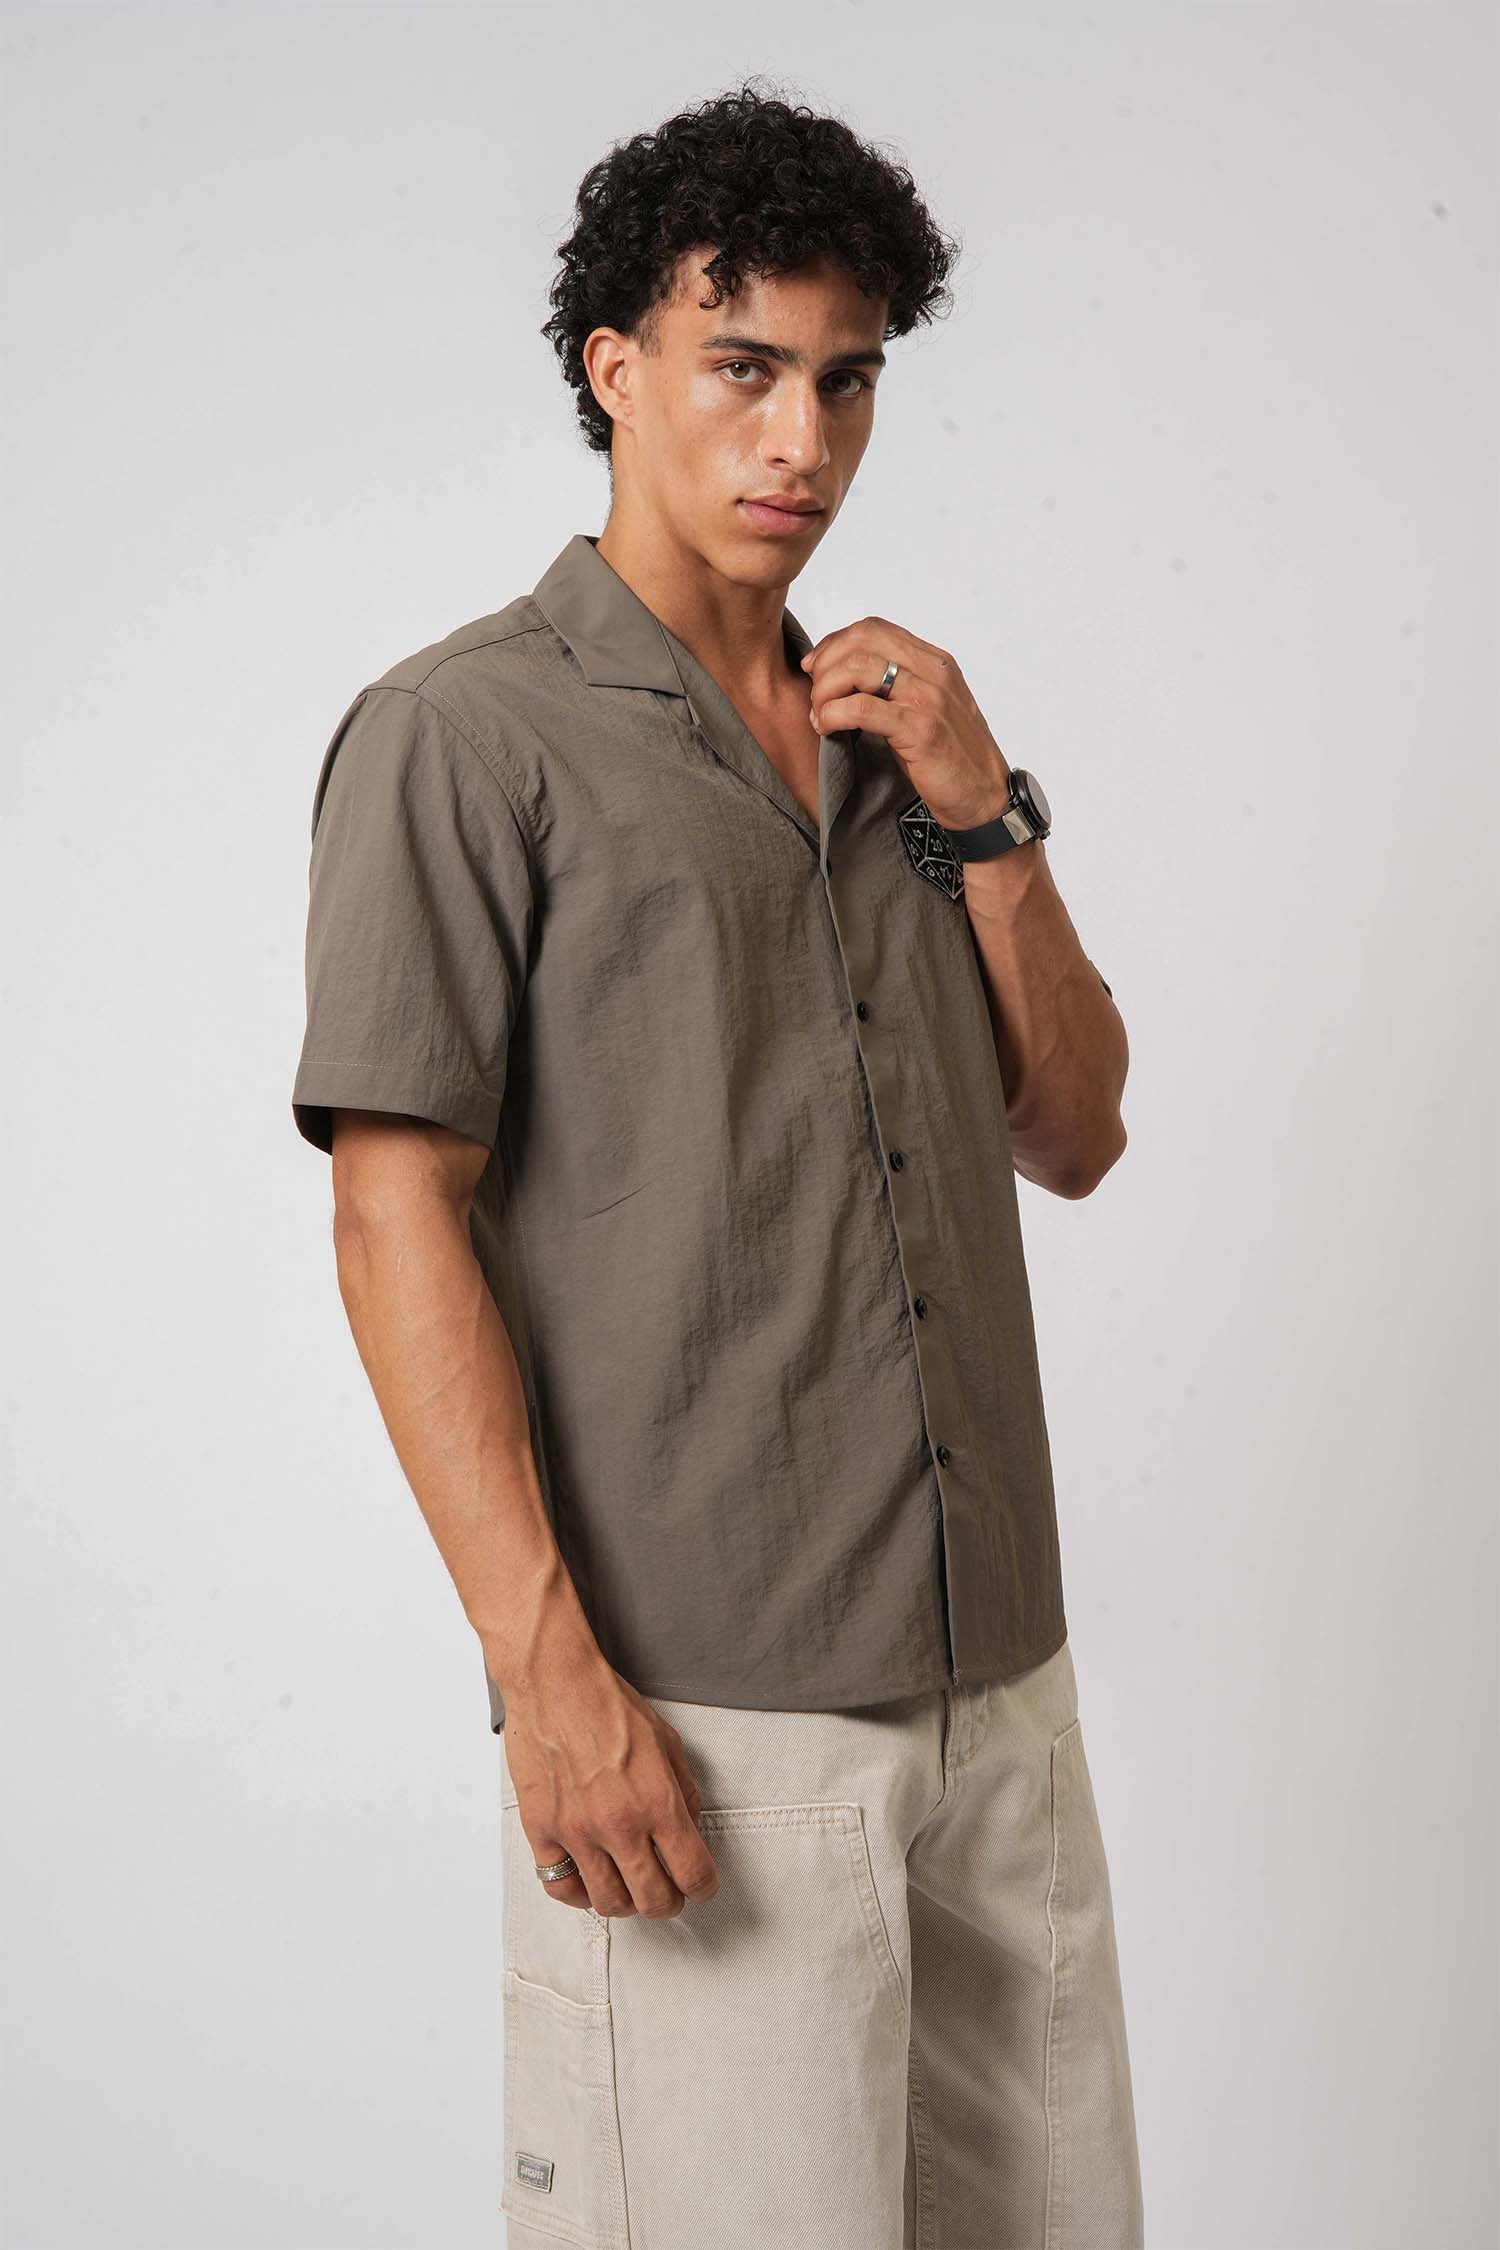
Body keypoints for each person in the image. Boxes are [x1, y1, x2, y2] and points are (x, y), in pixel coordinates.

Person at [291, 78, 1144, 2250]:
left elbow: (1077, 1130)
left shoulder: (905, 739)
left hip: (999, 1695)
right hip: (706, 1727)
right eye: (742, 367)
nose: (801, 441)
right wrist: (549, 1683)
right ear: (615, 368)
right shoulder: (466, 736)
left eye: (845, 382)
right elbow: (393, 1211)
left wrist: (985, 812)